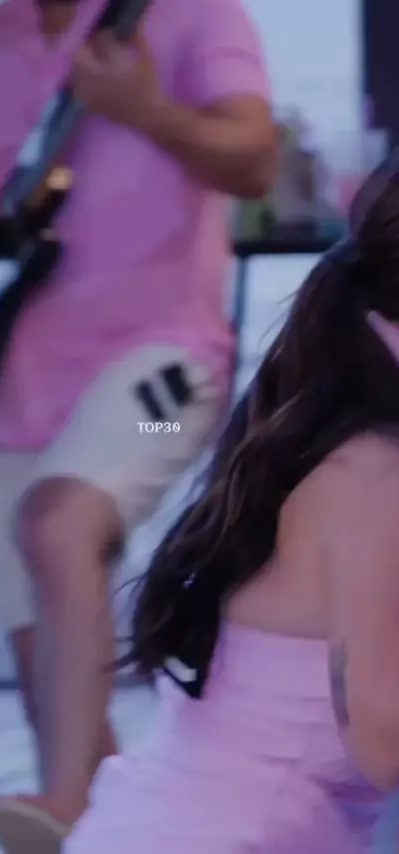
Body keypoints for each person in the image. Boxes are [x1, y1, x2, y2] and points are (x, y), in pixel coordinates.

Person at [0, 0, 275, 851]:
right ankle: (100, 818)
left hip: (166, 386)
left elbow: (257, 161)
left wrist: (144, 110)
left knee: (59, 523)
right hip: (24, 388)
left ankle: (70, 800)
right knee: (48, 677)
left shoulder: (192, 15)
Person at [63, 151, 399, 853]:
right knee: (56, 528)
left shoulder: (320, 430)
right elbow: (383, 738)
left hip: (164, 827)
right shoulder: (372, 476)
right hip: (215, 839)